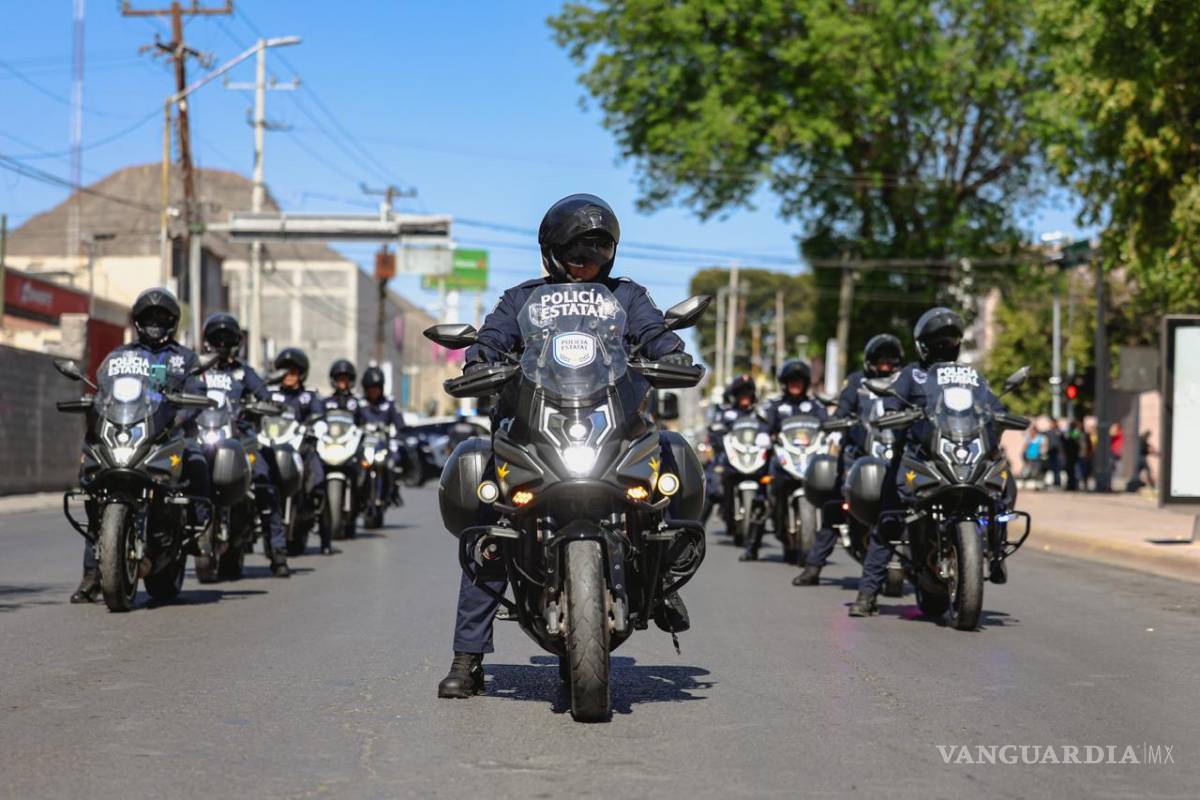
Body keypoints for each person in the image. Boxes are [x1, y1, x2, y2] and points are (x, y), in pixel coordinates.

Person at [437, 193, 694, 699]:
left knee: (667, 476)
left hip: (612, 425)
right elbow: (492, 339)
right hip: (533, 427)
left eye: (599, 252)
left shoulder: (627, 296)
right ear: (552, 252)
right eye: (578, 252)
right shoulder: (521, 299)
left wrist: (671, 352)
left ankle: (662, 581)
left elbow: (653, 332)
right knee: (492, 528)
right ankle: (467, 657)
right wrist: (480, 359)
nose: (587, 262)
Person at [860, 307, 1012, 617]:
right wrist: (896, 414)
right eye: (938, 341)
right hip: (918, 456)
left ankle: (997, 554)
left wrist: (1000, 415)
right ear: (924, 345)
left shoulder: (972, 376)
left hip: (962, 451)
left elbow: (993, 406)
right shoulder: (911, 374)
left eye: (951, 340)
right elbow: (890, 404)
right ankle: (867, 594)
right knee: (889, 517)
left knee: (1005, 488)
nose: (945, 346)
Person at [70, 288, 212, 603]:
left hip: (171, 433)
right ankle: (92, 575)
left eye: (162, 316)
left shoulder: (184, 358)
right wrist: (92, 403)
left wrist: (182, 414)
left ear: (172, 321)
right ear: (138, 320)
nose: (155, 322)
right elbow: (103, 389)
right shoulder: (119, 356)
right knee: (95, 485)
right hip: (128, 431)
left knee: (198, 459)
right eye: (149, 316)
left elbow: (198, 391)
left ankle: (198, 531)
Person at [793, 333, 902, 588]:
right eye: (881, 359)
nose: (885, 364)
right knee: (835, 505)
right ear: (870, 360)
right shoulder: (856, 382)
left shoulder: (904, 381)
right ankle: (813, 567)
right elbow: (843, 409)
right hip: (859, 454)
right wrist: (838, 423)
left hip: (893, 453)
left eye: (890, 359)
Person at [198, 312, 290, 577]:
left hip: (241, 439)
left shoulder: (243, 372)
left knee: (263, 482)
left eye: (227, 339)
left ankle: (278, 552)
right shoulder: (199, 371)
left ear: (236, 343)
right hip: (205, 435)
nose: (221, 344)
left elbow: (264, 394)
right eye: (217, 338)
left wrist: (268, 403)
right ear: (208, 341)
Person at [742, 359, 826, 562]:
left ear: (805, 383)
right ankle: (752, 547)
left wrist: (833, 433)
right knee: (761, 493)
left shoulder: (814, 405)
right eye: (791, 381)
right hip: (782, 458)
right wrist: (763, 434)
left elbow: (827, 423)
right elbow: (765, 424)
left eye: (799, 381)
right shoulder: (776, 406)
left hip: (808, 457)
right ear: (785, 383)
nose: (795, 384)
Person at [268, 347, 329, 553]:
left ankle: (325, 536)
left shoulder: (309, 395)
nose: (288, 376)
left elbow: (320, 417)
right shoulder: (271, 394)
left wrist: (317, 428)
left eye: (292, 372)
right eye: (284, 371)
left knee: (319, 479)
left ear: (301, 374)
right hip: (274, 448)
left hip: (300, 448)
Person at [359, 365, 408, 506]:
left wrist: (398, 439)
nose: (374, 391)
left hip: (384, 444)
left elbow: (400, 426)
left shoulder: (389, 403)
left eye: (376, 387)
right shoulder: (359, 404)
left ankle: (392, 491)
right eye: (370, 388)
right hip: (364, 445)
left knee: (394, 461)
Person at [1064, 419, 1082, 491]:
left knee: (1074, 471)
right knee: (1070, 471)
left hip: (1074, 455)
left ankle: (1073, 485)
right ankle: (1070, 485)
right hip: (1070, 455)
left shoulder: (1075, 433)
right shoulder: (1070, 433)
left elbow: (1075, 443)